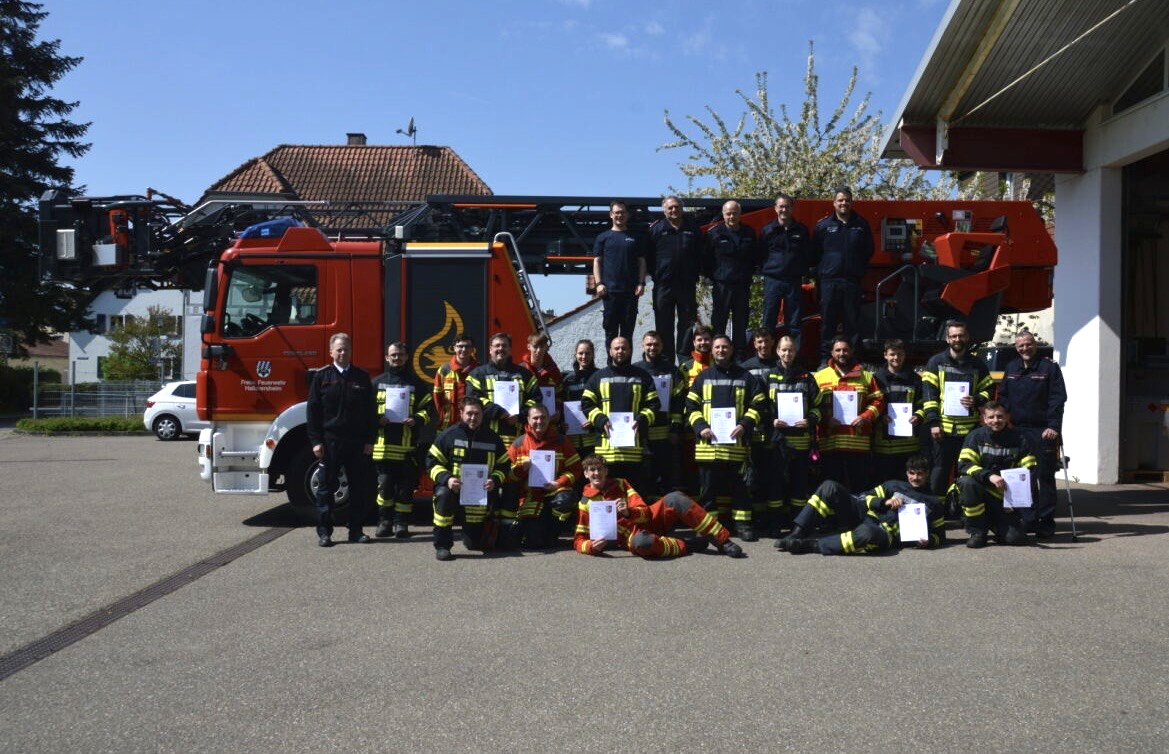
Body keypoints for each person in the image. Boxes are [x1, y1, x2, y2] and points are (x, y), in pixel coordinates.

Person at [572, 455, 745, 558]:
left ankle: (723, 541)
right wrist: (591, 547)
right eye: (592, 470)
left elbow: (645, 513)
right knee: (644, 543)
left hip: (649, 521)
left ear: (606, 471)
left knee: (675, 498)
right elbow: (579, 539)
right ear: (586, 474)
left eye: (600, 469)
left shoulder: (621, 484)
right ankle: (686, 545)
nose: (597, 473)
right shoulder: (585, 503)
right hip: (630, 538)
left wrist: (628, 511)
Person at [686, 334, 767, 540]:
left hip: (736, 446)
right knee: (708, 492)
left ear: (731, 350)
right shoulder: (702, 378)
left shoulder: (746, 377)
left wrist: (744, 424)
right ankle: (708, 528)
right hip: (708, 445)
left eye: (725, 347)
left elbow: (759, 403)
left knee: (740, 489)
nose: (721, 351)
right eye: (717, 347)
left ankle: (743, 526)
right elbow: (690, 405)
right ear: (711, 351)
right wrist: (701, 426)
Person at [777, 454, 944, 554]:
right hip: (862, 516)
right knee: (829, 486)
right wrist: (884, 502)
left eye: (920, 474)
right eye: (912, 473)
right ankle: (797, 533)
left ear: (928, 474)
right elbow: (864, 498)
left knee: (867, 533)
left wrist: (928, 541)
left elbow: (940, 536)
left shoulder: (934, 503)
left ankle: (812, 545)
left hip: (883, 533)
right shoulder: (893, 485)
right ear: (907, 473)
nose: (915, 478)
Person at [306, 332, 377, 547]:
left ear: (351, 351)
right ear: (331, 352)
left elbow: (370, 412)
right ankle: (325, 532)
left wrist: (369, 440)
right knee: (327, 488)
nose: (343, 352)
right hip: (330, 441)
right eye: (339, 349)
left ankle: (355, 530)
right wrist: (316, 441)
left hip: (356, 442)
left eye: (346, 349)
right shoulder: (322, 377)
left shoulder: (361, 377)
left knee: (358, 488)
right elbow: (313, 412)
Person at [997, 331, 1066, 538]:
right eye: (1020, 346)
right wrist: (1004, 422)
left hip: (1042, 431)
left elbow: (1058, 398)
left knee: (1044, 477)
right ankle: (1028, 520)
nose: (1025, 348)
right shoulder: (1011, 368)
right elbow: (1004, 397)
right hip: (1017, 430)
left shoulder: (1049, 367)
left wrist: (1053, 426)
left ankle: (1045, 522)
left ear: (1035, 345)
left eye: (1028, 344)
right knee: (1022, 477)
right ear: (1016, 348)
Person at [427, 397, 510, 562]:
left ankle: (471, 534)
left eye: (477, 414)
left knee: (474, 544)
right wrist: (448, 479)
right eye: (469, 413)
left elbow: (504, 465)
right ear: (461, 413)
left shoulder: (492, 438)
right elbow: (432, 462)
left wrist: (495, 479)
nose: (473, 418)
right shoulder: (448, 435)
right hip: (453, 490)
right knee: (443, 495)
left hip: (478, 496)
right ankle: (443, 546)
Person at [921, 319, 993, 497]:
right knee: (939, 472)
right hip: (943, 430)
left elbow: (989, 389)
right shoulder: (935, 362)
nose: (957, 339)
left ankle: (963, 508)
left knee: (967, 471)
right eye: (953, 336)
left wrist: (976, 400)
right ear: (947, 339)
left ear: (967, 337)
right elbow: (929, 395)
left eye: (961, 335)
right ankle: (938, 512)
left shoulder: (977, 364)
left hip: (969, 432)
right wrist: (933, 423)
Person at [580, 336, 660, 492]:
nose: (620, 351)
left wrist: (641, 419)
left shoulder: (642, 376)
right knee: (608, 495)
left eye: (624, 348)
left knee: (633, 495)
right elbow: (587, 404)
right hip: (606, 453)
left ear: (630, 351)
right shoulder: (598, 377)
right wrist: (601, 420)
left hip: (634, 452)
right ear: (610, 351)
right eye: (616, 348)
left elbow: (654, 404)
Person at [371, 341, 434, 539]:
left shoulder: (416, 384)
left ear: (407, 357)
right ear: (387, 358)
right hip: (383, 447)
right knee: (385, 487)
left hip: (407, 447)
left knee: (405, 490)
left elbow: (428, 409)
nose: (397, 358)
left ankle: (401, 524)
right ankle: (384, 521)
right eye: (393, 355)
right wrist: (377, 419)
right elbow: (365, 410)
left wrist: (416, 419)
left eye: (400, 355)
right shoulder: (377, 383)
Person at [956, 401, 1038, 548]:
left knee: (1015, 539)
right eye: (991, 417)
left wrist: (1016, 502)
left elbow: (1028, 471)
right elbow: (964, 465)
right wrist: (989, 476)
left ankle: (994, 523)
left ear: (1007, 417)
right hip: (980, 490)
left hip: (1003, 497)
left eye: (1000, 416)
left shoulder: (1020, 439)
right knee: (967, 482)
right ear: (984, 419)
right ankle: (977, 531)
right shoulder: (975, 437)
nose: (996, 421)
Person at [813, 336, 884, 493]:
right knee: (830, 489)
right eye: (837, 350)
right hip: (829, 443)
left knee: (860, 489)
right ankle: (832, 518)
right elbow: (813, 405)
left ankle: (858, 517)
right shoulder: (819, 377)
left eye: (845, 350)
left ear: (851, 351)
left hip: (857, 444)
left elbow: (878, 401)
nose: (842, 353)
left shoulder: (866, 376)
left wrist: (865, 417)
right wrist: (825, 419)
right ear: (831, 353)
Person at [764, 335, 819, 536]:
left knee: (799, 487)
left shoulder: (806, 377)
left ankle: (798, 526)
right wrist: (771, 420)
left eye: (791, 350)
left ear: (796, 353)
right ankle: (775, 526)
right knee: (775, 486)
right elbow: (760, 406)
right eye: (784, 350)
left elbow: (818, 406)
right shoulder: (768, 376)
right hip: (777, 443)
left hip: (801, 443)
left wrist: (810, 420)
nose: (787, 353)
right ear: (777, 351)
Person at [811, 186, 874, 362]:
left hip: (851, 282)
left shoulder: (861, 225)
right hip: (829, 282)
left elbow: (868, 251)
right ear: (834, 203)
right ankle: (825, 361)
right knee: (827, 324)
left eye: (847, 200)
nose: (843, 203)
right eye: (840, 200)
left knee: (852, 324)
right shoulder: (823, 226)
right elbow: (814, 253)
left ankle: (853, 361)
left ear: (851, 202)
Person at [507, 403, 582, 549]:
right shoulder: (519, 443)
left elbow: (576, 469)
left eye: (543, 417)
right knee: (535, 542)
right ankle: (539, 533)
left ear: (549, 419)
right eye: (535, 418)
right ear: (528, 420)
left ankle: (553, 533)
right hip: (530, 497)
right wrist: (521, 468)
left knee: (565, 500)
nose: (539, 421)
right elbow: (508, 477)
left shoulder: (561, 441)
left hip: (555, 491)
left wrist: (559, 483)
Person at [646, 195, 703, 363]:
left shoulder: (692, 229)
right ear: (664, 211)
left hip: (686, 284)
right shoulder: (656, 229)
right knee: (664, 325)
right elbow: (648, 256)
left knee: (687, 324)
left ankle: (685, 361)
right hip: (664, 285)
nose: (674, 210)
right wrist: (657, 275)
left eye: (677, 207)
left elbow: (700, 253)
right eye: (670, 208)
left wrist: (695, 273)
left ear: (682, 209)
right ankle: (666, 361)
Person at [465, 332, 541, 449]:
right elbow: (473, 400)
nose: (501, 348)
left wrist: (519, 415)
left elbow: (535, 399)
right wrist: (500, 413)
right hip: (485, 437)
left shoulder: (525, 374)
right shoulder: (477, 374)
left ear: (510, 350)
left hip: (518, 439)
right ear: (490, 349)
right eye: (497, 345)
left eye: (504, 346)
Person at [633, 330, 685, 496]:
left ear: (662, 346)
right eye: (649, 344)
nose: (652, 347)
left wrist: (676, 429)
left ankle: (665, 513)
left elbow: (678, 402)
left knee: (666, 476)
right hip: (640, 432)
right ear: (642, 345)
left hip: (664, 434)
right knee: (643, 477)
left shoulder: (673, 371)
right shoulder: (636, 370)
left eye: (656, 344)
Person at [592, 200, 646, 351]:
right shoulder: (603, 238)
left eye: (622, 212)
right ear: (611, 215)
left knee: (627, 333)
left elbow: (641, 262)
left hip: (630, 292)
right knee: (610, 333)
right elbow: (597, 262)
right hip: (610, 293)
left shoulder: (635, 237)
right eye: (616, 212)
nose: (619, 215)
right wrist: (598, 284)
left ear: (627, 215)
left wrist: (641, 283)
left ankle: (626, 367)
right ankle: (611, 366)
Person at [704, 200, 757, 356]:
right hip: (722, 285)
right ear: (723, 214)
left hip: (742, 284)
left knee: (741, 322)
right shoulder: (714, 233)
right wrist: (713, 277)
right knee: (719, 322)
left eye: (734, 213)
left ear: (740, 214)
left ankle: (739, 355)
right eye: (728, 213)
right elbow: (706, 258)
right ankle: (718, 355)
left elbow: (755, 257)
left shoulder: (749, 233)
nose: (731, 216)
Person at [758, 193, 810, 347]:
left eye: (787, 206)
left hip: (793, 280)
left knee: (794, 323)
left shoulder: (801, 230)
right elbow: (760, 253)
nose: (784, 209)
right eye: (781, 206)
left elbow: (807, 254)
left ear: (792, 208)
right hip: (772, 280)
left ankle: (793, 357)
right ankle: (767, 356)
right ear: (775, 208)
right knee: (769, 321)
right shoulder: (768, 230)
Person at [872, 338, 926, 484]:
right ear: (885, 355)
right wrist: (881, 416)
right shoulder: (876, 379)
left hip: (909, 445)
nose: (896, 358)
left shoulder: (915, 379)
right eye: (892, 354)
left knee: (906, 485)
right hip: (883, 445)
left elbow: (924, 404)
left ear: (905, 355)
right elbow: (870, 403)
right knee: (885, 484)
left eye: (900, 354)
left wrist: (918, 416)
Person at [739, 328, 779, 527]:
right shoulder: (745, 368)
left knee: (773, 475)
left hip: (776, 429)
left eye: (767, 341)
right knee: (752, 476)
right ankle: (755, 517)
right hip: (753, 430)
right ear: (754, 344)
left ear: (773, 342)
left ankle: (770, 520)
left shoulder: (780, 365)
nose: (763, 345)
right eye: (759, 342)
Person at [560, 338, 599, 461]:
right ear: (575, 355)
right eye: (581, 353)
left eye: (588, 353)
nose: (584, 356)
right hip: (572, 440)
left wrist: (595, 421)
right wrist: (562, 424)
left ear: (593, 354)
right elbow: (561, 404)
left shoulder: (600, 376)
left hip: (594, 439)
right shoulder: (567, 379)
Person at [432, 333, 478, 432]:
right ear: (454, 348)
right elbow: (437, 397)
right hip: (447, 425)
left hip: (472, 424)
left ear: (472, 349)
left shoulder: (479, 371)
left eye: (467, 346)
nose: (464, 349)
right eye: (460, 346)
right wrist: (442, 416)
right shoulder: (444, 370)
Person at [522, 330, 563, 421]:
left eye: (542, 346)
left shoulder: (554, 370)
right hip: (526, 421)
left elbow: (560, 394)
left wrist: (558, 410)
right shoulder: (521, 370)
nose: (539, 350)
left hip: (550, 421)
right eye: (535, 347)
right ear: (528, 347)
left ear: (546, 347)